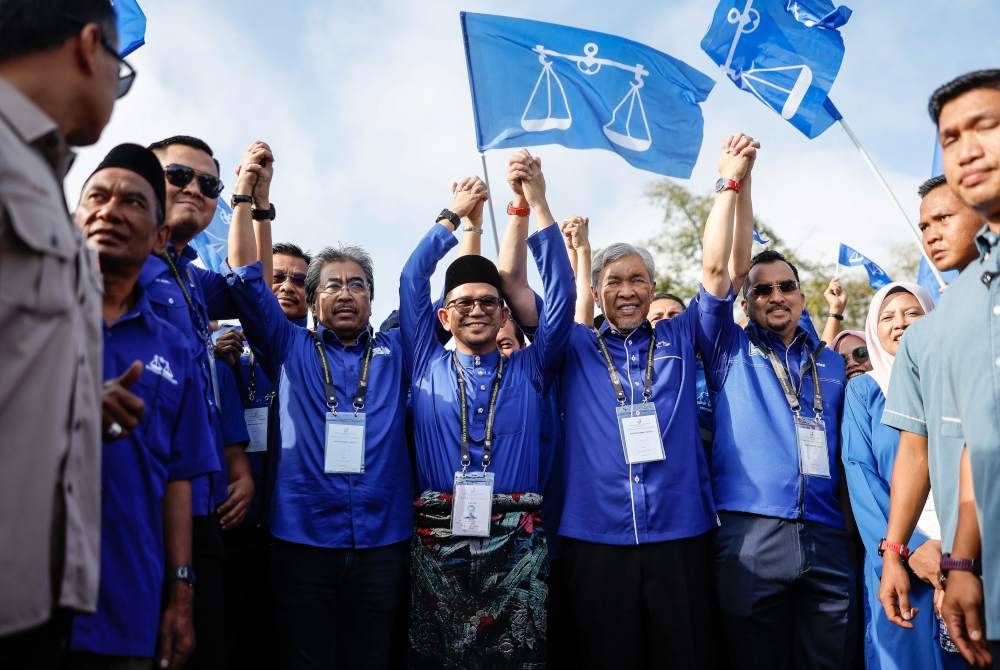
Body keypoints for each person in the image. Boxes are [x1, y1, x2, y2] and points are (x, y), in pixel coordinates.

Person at [550, 134, 750, 669]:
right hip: (596, 536)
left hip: (679, 533)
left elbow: (717, 273)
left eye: (638, 279)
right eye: (614, 281)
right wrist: (542, 210)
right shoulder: (576, 347)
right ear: (597, 291)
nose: (627, 291)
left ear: (653, 286)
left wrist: (728, 183)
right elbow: (555, 299)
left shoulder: (682, 335)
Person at [399, 153, 573, 667]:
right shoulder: (424, 361)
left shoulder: (532, 367)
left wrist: (537, 201)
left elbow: (562, 294)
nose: (476, 309)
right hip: (437, 537)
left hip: (519, 541)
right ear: (444, 316)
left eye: (487, 302)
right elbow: (411, 278)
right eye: (464, 302)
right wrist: (452, 216)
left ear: (503, 313)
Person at [226, 203, 413, 670]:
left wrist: (455, 221)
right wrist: (251, 202)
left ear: (371, 299)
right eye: (332, 285)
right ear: (312, 303)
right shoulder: (287, 345)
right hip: (302, 541)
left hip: (382, 542)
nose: (346, 293)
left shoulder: (398, 351)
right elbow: (248, 280)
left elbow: (416, 284)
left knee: (372, 659)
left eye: (357, 285)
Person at [0, 0, 131, 661]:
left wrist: (76, 404)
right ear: (88, 46)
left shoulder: (39, 180)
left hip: (32, 597)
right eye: (121, 72)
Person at [66, 144, 220, 670]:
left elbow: (179, 477)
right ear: (74, 219)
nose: (110, 211)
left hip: (127, 606)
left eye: (133, 202)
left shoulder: (175, 348)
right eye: (97, 197)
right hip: (23, 596)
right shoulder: (21, 310)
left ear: (159, 237)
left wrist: (181, 590)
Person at [706, 146, 855, 666]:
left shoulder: (830, 363)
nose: (776, 296)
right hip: (751, 531)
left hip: (826, 531)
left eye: (786, 287)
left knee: (830, 659)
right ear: (746, 304)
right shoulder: (728, 347)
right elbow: (724, 269)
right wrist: (737, 184)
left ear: (802, 297)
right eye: (763, 290)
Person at [140, 135, 267, 667]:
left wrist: (250, 199)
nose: (194, 188)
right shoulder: (119, 267)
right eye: (178, 176)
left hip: (200, 504)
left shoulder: (190, 276)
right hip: (138, 504)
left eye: (208, 184)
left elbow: (249, 286)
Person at [876, 174, 984, 652]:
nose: (932, 234)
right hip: (966, 564)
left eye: (945, 218)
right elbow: (914, 452)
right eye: (924, 225)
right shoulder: (920, 340)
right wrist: (894, 552)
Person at [919, 69, 1000, 667]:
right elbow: (980, 434)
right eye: (950, 138)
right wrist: (963, 562)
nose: (966, 150)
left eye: (986, 126)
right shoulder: (966, 295)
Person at [840, 282, 962, 669]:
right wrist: (911, 547)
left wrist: (959, 550)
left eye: (913, 313)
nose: (901, 324)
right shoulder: (865, 392)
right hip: (898, 560)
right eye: (888, 317)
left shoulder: (960, 384)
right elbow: (862, 479)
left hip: (964, 554)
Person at [214, 242, 311, 668]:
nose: (288, 286)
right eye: (278, 277)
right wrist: (213, 361)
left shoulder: (320, 354)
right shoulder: (226, 351)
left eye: (299, 280)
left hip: (297, 530)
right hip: (234, 520)